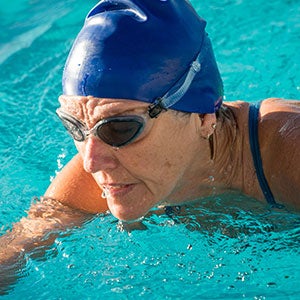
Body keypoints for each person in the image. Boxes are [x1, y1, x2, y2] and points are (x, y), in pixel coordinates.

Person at [0, 0, 299, 288]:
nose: (92, 161)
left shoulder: (289, 154)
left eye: (119, 128)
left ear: (205, 116)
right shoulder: (101, 173)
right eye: (75, 126)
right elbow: (15, 252)